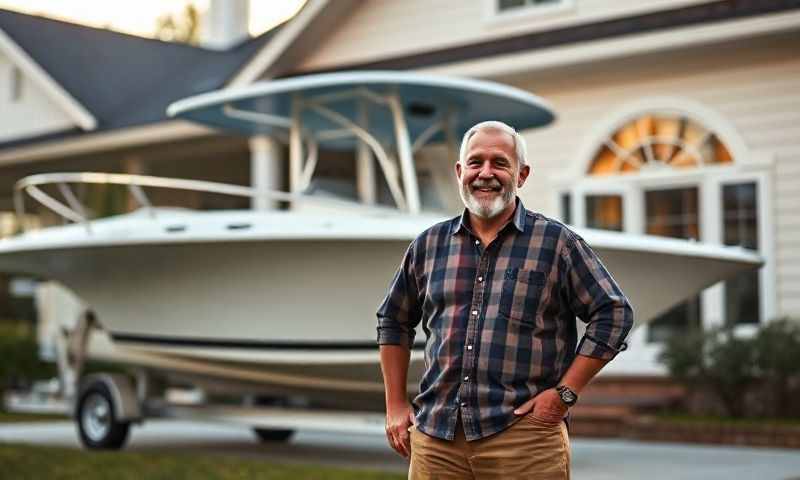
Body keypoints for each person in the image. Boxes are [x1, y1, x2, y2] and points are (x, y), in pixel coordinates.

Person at [376, 120, 634, 479]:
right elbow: (393, 320)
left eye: (499, 163)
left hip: (525, 437)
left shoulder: (556, 243)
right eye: (475, 162)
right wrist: (395, 404)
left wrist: (565, 394)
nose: (485, 173)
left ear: (522, 175)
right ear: (459, 171)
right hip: (436, 439)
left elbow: (614, 313)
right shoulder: (428, 245)